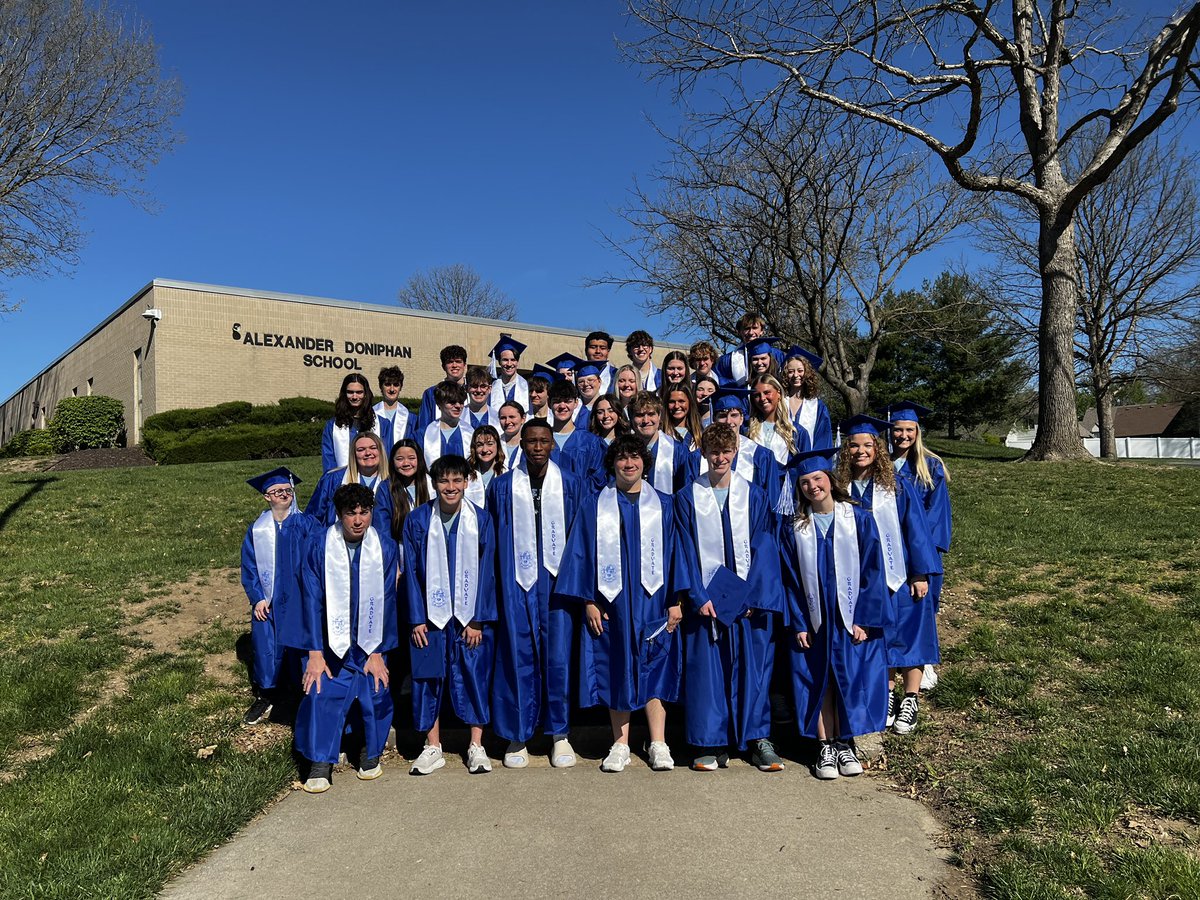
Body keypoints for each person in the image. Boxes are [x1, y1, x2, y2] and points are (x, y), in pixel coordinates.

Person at [557, 435, 682, 772]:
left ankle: (658, 743)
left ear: (645, 462)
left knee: (655, 665)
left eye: (635, 457)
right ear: (612, 463)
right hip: (612, 602)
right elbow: (580, 553)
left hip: (653, 601)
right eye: (622, 458)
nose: (629, 464)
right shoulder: (595, 504)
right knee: (616, 666)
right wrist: (588, 601)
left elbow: (676, 556)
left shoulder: (665, 505)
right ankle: (620, 744)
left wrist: (675, 600)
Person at [673, 423, 785, 772]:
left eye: (726, 451)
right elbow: (684, 550)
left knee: (754, 668)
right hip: (704, 604)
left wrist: (753, 597)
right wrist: (696, 594)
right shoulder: (687, 497)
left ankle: (757, 739)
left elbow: (764, 547)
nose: (720, 458)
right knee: (707, 671)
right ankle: (711, 741)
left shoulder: (753, 495)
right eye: (714, 452)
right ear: (703, 454)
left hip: (747, 605)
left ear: (736, 452)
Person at [777, 448, 889, 780]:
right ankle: (824, 746)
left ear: (830, 480)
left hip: (849, 620)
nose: (813, 486)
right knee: (819, 681)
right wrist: (798, 621)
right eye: (805, 482)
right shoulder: (795, 528)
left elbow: (873, 571)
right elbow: (790, 580)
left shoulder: (858, 518)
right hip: (816, 622)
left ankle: (845, 743)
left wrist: (864, 618)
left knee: (848, 680)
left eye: (817, 479)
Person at [487, 419, 587, 768]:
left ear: (552, 445)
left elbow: (581, 541)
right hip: (516, 584)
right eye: (531, 441)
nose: (538, 447)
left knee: (557, 658)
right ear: (522, 445)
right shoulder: (501, 487)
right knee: (517, 656)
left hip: (558, 585)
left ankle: (560, 733)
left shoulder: (572, 484)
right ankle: (518, 735)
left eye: (545, 440)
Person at [836, 415, 941, 736]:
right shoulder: (840, 489)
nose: (860, 451)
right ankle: (889, 696)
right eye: (854, 445)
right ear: (846, 452)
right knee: (880, 638)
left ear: (878, 449)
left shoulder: (898, 485)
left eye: (868, 445)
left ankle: (911, 698)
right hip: (866, 581)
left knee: (910, 635)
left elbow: (917, 531)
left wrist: (921, 572)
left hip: (902, 574)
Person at [293, 483, 399, 793]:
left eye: (364, 513)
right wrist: (314, 653)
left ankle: (370, 750)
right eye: (350, 513)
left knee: (376, 688)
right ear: (339, 515)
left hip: (370, 641)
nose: (357, 520)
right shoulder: (318, 546)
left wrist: (378, 652)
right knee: (319, 689)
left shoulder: (386, 548)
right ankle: (320, 760)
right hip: (329, 643)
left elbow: (388, 600)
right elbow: (310, 600)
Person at [403, 455, 498, 775]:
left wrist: (477, 619)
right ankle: (433, 746)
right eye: (444, 481)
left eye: (457, 480)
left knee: (474, 676)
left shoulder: (481, 519)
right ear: (433, 483)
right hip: (430, 618)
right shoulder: (417, 521)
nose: (451, 487)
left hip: (468, 618)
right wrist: (416, 618)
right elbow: (412, 574)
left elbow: (487, 573)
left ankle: (476, 745)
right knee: (428, 677)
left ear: (467, 482)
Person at [880, 400, 951, 692]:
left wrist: (925, 558)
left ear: (918, 431)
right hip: (887, 547)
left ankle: (926, 663)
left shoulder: (930, 466)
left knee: (923, 608)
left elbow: (937, 515)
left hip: (919, 551)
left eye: (909, 430)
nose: (903, 436)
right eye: (898, 430)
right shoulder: (880, 463)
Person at [240, 467, 316, 725]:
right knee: (266, 647)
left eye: (287, 490)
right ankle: (267, 695)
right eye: (276, 491)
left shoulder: (308, 524)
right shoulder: (257, 530)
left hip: (300, 600)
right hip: (269, 602)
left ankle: (301, 696)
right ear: (266, 497)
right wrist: (257, 597)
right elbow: (249, 566)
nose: (283, 494)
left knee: (299, 647)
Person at [706, 387, 783, 509]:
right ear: (714, 419)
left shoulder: (761, 456)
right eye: (722, 416)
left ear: (742, 419)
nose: (728, 421)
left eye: (734, 415)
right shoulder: (697, 458)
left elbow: (771, 504)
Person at [306, 431, 394, 528]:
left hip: (381, 540)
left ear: (381, 451)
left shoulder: (393, 482)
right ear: (354, 454)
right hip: (337, 540)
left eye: (373, 448)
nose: (368, 453)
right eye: (361, 450)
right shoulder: (333, 479)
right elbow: (314, 516)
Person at [321, 373, 393, 474]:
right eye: (350, 392)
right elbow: (329, 462)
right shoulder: (332, 426)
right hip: (342, 482)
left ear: (365, 394)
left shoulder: (383, 424)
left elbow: (387, 456)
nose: (354, 397)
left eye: (359, 392)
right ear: (344, 394)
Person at [548, 378, 608, 493]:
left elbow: (598, 480)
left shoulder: (591, 442)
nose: (562, 406)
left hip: (581, 506)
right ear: (549, 403)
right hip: (549, 506)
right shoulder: (542, 440)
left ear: (576, 403)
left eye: (567, 401)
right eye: (557, 401)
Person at [629, 391, 695, 494]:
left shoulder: (677, 450)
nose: (646, 420)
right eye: (640, 415)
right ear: (631, 419)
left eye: (651, 414)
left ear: (659, 416)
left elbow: (685, 490)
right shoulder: (623, 450)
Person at [748, 373, 808, 467]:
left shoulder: (797, 432)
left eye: (767, 392)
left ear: (779, 393)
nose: (762, 398)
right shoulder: (748, 430)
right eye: (757, 395)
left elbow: (805, 468)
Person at [783, 347, 833, 450]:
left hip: (808, 463)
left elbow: (823, 440)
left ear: (808, 373)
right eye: (791, 371)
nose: (796, 375)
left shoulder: (817, 406)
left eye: (800, 370)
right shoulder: (779, 401)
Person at [714, 313, 785, 386]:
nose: (751, 332)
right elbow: (715, 380)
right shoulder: (728, 360)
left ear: (762, 331)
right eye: (746, 328)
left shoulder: (777, 355)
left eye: (754, 328)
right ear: (739, 332)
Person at [420, 380, 474, 469]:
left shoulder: (470, 433)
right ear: (439, 404)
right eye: (452, 402)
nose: (458, 406)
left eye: (461, 402)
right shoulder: (423, 435)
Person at [416, 344, 469, 432]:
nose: (454, 365)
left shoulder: (474, 392)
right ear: (443, 366)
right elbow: (423, 426)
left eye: (458, 361)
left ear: (464, 365)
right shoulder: (431, 393)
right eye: (450, 362)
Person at [388, 438, 431, 542]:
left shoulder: (432, 485)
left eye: (411, 458)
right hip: (400, 549)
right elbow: (383, 528)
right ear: (392, 462)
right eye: (399, 459)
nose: (406, 463)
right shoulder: (386, 488)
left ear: (419, 460)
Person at [488, 335, 529, 417]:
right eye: (505, 360)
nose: (509, 364)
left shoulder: (527, 387)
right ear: (499, 362)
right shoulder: (491, 387)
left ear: (517, 362)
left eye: (513, 360)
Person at [465, 424, 505, 509]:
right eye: (480, 445)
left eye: (490, 444)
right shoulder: (466, 474)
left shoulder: (506, 474)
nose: (485, 450)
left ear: (497, 446)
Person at [373, 366, 415, 444]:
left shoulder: (411, 419)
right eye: (387, 384)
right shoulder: (371, 415)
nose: (392, 389)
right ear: (380, 387)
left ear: (401, 387)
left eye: (396, 385)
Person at [664, 382, 704, 448]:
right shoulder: (660, 434)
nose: (676, 406)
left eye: (681, 401)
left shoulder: (700, 434)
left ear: (689, 403)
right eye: (672, 402)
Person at [465, 366, 501, 431]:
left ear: (490, 389)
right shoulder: (459, 416)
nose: (479, 390)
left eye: (483, 386)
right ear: (467, 388)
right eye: (474, 386)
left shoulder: (498, 418)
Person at [585, 330, 619, 394]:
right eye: (593, 347)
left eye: (602, 348)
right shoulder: (575, 374)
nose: (598, 351)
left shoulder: (617, 374)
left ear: (608, 351)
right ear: (586, 350)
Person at [573, 363, 603, 431]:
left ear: (599, 381)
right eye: (581, 381)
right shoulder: (574, 408)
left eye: (590, 380)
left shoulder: (609, 404)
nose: (586, 384)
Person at [498, 400, 526, 468]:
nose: (507, 421)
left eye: (512, 417)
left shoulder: (529, 444)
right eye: (503, 418)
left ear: (523, 419)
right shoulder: (495, 444)